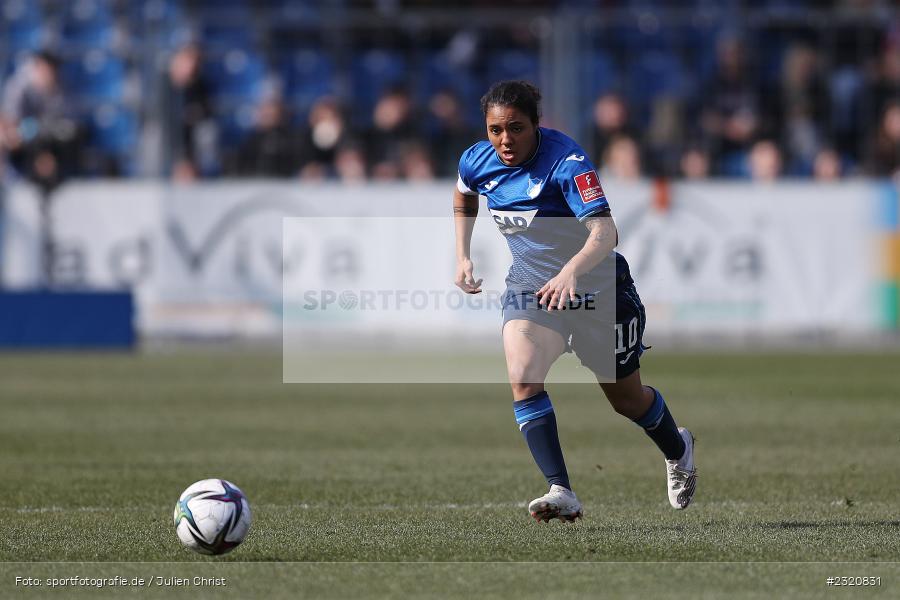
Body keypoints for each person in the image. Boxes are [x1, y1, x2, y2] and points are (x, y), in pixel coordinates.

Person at [452, 81, 696, 522]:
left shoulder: (567, 163)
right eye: (495, 130)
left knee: (627, 400)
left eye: (516, 129)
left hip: (599, 293)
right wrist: (463, 254)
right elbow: (464, 193)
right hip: (532, 289)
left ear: (535, 125)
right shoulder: (477, 160)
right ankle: (561, 490)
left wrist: (571, 272)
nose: (505, 140)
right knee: (523, 376)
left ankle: (679, 450)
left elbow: (606, 233)